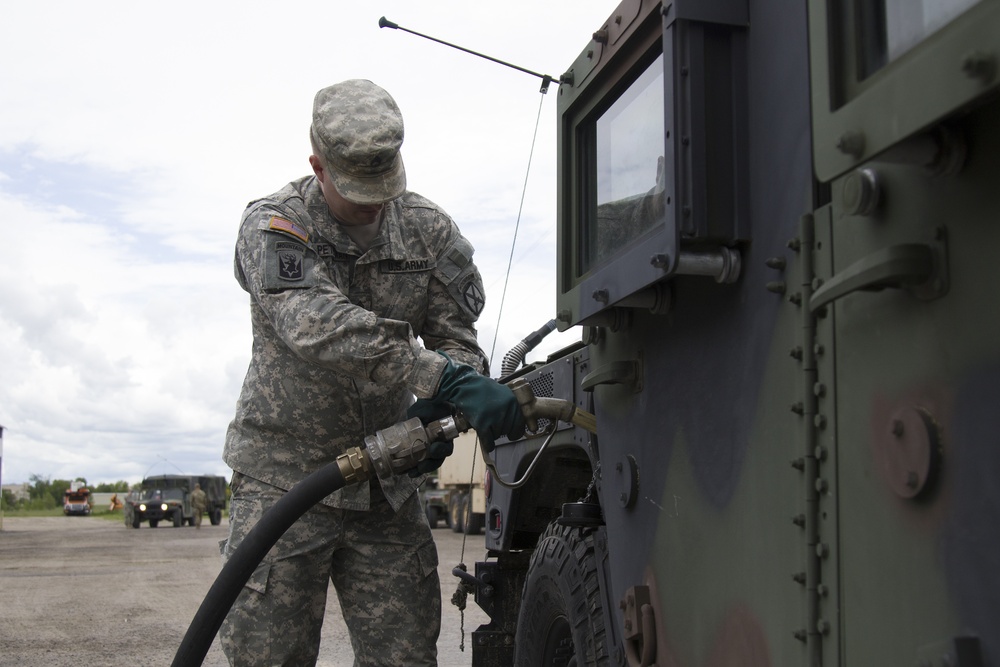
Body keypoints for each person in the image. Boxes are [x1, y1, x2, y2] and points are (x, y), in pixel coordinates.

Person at [220, 79, 525, 666]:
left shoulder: (428, 231)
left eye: (384, 185)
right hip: (283, 481)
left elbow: (457, 339)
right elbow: (316, 322)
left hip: (388, 484)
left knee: (405, 658)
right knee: (267, 658)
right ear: (318, 165)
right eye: (358, 189)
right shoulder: (275, 226)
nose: (374, 202)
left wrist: (438, 413)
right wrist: (435, 377)